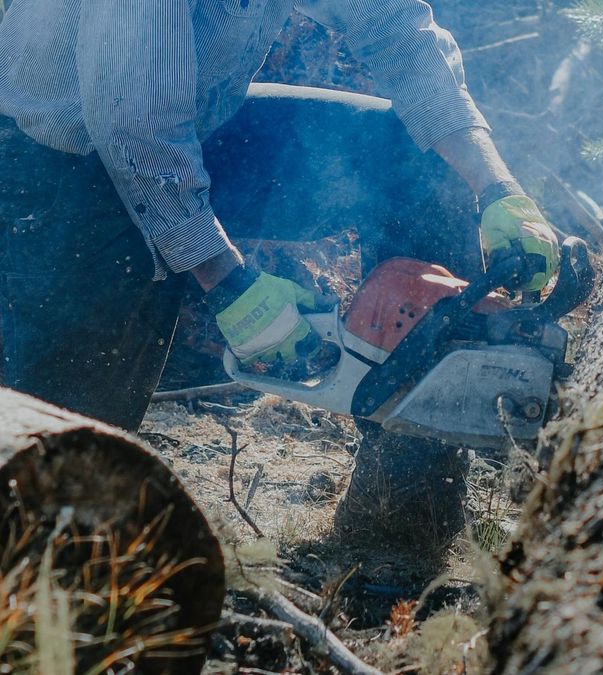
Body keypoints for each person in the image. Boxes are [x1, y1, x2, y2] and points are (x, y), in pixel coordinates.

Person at [0, 1, 559, 546]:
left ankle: (400, 520)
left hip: (197, 124)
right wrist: (228, 282)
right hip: (57, 153)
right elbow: (130, 121)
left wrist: (496, 187)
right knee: (69, 453)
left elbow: (396, 30)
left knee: (409, 161)